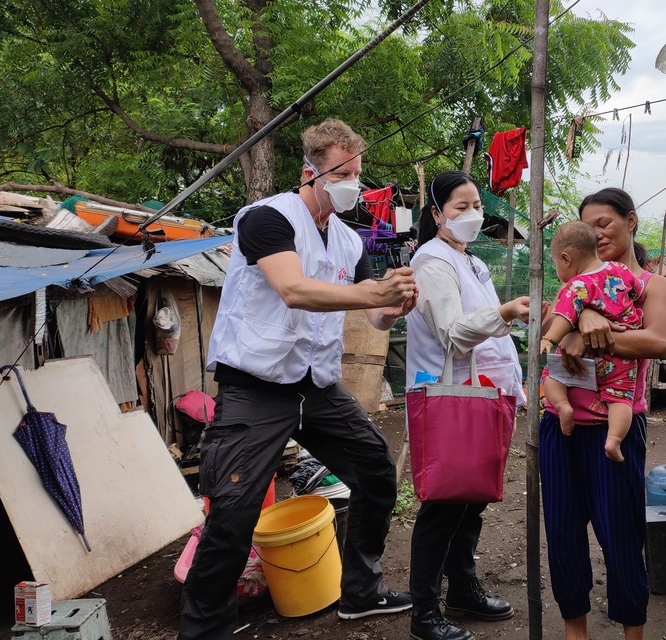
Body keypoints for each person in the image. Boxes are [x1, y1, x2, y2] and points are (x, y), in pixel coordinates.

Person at [179, 118, 418, 640]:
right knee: (233, 513)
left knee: (376, 471)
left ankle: (362, 591)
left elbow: (373, 317)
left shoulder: (349, 242)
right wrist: (372, 293)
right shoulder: (266, 219)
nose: (353, 183)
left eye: (357, 173)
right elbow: (292, 289)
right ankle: (204, 630)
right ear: (310, 172)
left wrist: (393, 305)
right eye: (342, 173)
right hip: (256, 387)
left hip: (316, 387)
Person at [405, 170, 535, 640]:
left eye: (477, 205)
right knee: (444, 505)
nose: (473, 214)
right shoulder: (432, 261)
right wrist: (505, 312)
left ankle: (462, 588)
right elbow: (455, 335)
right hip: (452, 397)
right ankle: (424, 613)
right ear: (437, 213)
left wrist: (515, 386)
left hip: (485, 395)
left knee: (471, 500)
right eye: (461, 206)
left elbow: (491, 340)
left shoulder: (470, 260)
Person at [539, 187, 666, 640]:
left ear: (630, 221)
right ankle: (575, 632)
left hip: (614, 427)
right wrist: (579, 317)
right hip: (561, 425)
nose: (597, 233)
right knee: (562, 534)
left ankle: (632, 632)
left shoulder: (650, 285)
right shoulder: (575, 278)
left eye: (605, 223)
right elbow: (549, 327)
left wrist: (598, 332)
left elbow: (657, 342)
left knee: (621, 537)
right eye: (589, 226)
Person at [539, 220, 643, 462]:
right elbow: (636, 290)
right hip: (620, 359)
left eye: (556, 264)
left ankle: (563, 406)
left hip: (586, 360)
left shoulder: (575, 286)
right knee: (621, 398)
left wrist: (548, 338)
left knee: (552, 377)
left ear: (566, 259)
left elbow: (564, 316)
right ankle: (614, 439)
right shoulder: (619, 269)